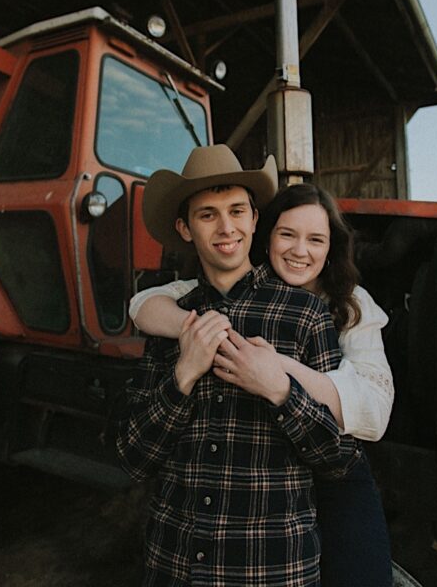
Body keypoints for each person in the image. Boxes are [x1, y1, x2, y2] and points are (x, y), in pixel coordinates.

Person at [116, 144, 358, 587]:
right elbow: (133, 458)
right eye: (207, 214)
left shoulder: (306, 314)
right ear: (185, 228)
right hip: (176, 565)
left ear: (253, 219)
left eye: (236, 211)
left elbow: (337, 459)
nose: (226, 227)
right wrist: (183, 375)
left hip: (270, 570)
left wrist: (280, 390)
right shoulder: (170, 318)